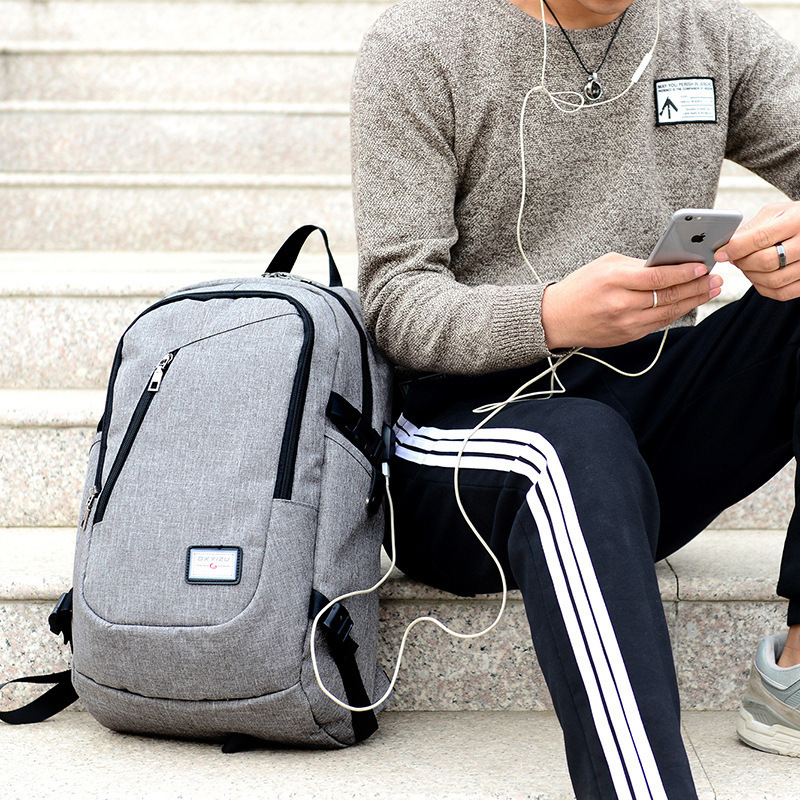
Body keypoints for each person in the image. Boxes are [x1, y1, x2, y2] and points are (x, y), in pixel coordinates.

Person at [350, 0, 800, 796]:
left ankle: (796, 680)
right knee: (573, 446)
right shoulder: (419, 42)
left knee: (595, 438)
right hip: (467, 435)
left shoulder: (708, 29)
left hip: (647, 410)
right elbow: (396, 303)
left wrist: (791, 246)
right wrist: (552, 314)